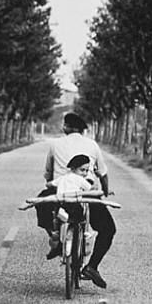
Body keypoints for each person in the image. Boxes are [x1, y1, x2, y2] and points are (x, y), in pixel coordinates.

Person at [36, 112, 116, 289]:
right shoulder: (92, 145)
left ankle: (55, 236)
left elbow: (48, 173)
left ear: (66, 127)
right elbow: (102, 173)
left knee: (41, 205)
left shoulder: (55, 144)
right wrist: (103, 192)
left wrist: (52, 183)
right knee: (108, 229)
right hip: (85, 194)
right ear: (82, 129)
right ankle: (92, 267)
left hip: (60, 192)